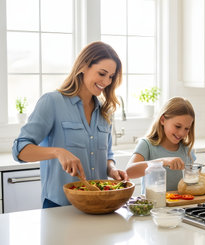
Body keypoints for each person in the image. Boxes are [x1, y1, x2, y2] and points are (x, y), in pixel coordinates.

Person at [12, 41, 128, 208]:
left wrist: (112, 169)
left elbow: (108, 155)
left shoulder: (105, 111)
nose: (107, 81)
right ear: (83, 67)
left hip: (98, 205)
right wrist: (58, 152)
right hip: (59, 207)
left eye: (111, 76)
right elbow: (19, 150)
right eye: (102, 73)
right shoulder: (52, 102)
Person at [126, 97, 205, 192]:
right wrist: (163, 161)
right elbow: (130, 172)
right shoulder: (147, 145)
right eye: (177, 126)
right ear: (162, 120)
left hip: (180, 204)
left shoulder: (186, 149)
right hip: (155, 205)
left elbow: (190, 181)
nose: (181, 133)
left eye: (186, 128)